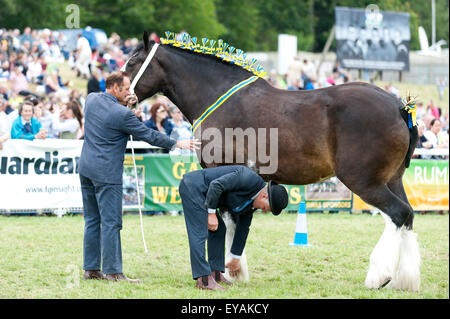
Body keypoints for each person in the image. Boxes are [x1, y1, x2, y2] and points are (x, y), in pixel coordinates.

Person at [78, 71, 199, 283]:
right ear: (115, 88)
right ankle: (113, 272)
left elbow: (111, 114)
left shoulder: (91, 100)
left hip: (86, 169)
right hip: (107, 174)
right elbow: (149, 134)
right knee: (111, 223)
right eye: (125, 90)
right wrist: (176, 143)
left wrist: (126, 104)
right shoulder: (122, 115)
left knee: (92, 221)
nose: (129, 93)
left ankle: (91, 269)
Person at [179, 165, 289, 290]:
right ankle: (203, 280)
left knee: (219, 230)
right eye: (265, 208)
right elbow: (216, 185)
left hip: (205, 195)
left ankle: (215, 274)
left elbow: (243, 228)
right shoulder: (247, 178)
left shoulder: (252, 204)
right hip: (194, 187)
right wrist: (211, 214)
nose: (263, 211)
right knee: (199, 232)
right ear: (264, 196)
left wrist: (235, 258)